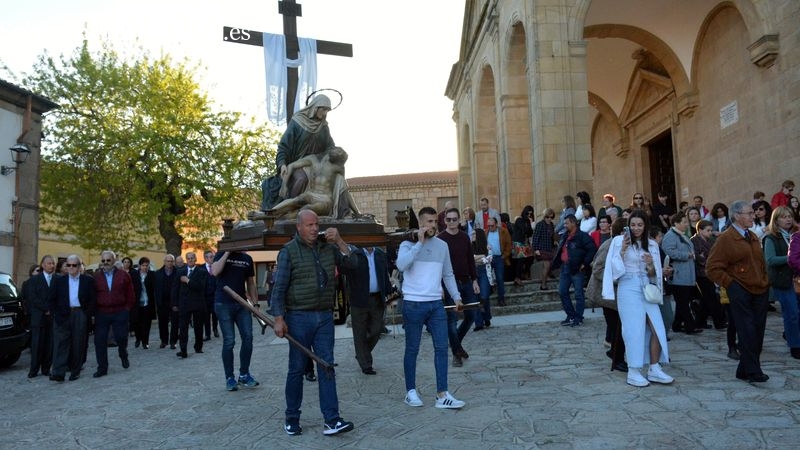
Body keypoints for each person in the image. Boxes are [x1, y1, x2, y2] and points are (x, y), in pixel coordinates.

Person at [270, 210, 356, 435]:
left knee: (327, 367)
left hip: (325, 317)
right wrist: (279, 319)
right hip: (298, 318)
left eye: (316, 224)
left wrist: (339, 240)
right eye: (309, 225)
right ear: (298, 227)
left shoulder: (328, 248)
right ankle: (291, 418)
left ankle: (332, 419)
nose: (314, 228)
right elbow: (278, 289)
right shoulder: (288, 252)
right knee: (297, 369)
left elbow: (352, 265)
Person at [396, 206, 466, 410]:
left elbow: (448, 274)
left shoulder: (442, 246)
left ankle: (442, 394)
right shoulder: (407, 244)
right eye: (429, 221)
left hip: (436, 303)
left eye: (435, 221)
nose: (433, 225)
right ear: (420, 223)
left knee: (442, 348)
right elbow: (401, 266)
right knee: (412, 349)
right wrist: (419, 243)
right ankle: (410, 391)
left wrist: (457, 296)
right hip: (413, 303)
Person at [602, 210, 672, 387]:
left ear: (645, 225)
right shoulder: (619, 241)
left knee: (657, 328)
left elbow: (654, 275)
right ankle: (633, 371)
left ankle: (654, 368)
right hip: (628, 287)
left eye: (640, 225)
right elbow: (614, 270)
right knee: (634, 330)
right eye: (633, 225)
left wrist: (650, 264)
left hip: (646, 288)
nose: (636, 228)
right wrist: (623, 251)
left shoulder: (652, 245)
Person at [706, 200, 771, 383]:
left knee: (757, 330)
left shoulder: (751, 236)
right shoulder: (726, 239)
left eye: (752, 213)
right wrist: (731, 284)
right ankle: (753, 371)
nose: (753, 216)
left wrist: (765, 280)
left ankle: (744, 369)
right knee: (747, 330)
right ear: (736, 216)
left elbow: (758, 262)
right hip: (740, 290)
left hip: (759, 289)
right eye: (749, 213)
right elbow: (712, 268)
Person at [262, 94, 335, 212]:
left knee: (335, 176)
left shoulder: (323, 126)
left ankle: (337, 210)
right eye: (324, 109)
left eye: (327, 110)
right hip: (298, 163)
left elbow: (330, 146)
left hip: (316, 164)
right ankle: (290, 208)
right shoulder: (297, 122)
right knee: (301, 179)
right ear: (315, 107)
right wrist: (282, 164)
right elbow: (283, 146)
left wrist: (335, 154)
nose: (325, 113)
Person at [211, 248, 260, 392]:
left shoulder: (247, 258)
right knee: (229, 341)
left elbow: (250, 282)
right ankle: (229, 378)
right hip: (223, 303)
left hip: (242, 304)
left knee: (248, 337)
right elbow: (215, 272)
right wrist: (227, 253)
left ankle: (244, 374)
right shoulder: (220, 254)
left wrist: (255, 304)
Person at [437, 207, 480, 367]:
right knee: (451, 320)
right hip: (448, 284)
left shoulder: (464, 238)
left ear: (459, 220)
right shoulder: (440, 239)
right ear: (445, 220)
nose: (452, 222)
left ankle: (456, 344)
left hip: (466, 282)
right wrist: (439, 286)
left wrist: (475, 280)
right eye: (449, 219)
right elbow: (437, 265)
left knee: (471, 316)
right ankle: (456, 353)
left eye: (455, 219)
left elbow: (470, 260)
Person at [268, 146, 359, 219]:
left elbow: (344, 190)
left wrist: (356, 212)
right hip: (311, 194)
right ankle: (269, 213)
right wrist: (284, 185)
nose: (339, 155)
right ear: (332, 150)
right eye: (339, 152)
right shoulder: (312, 159)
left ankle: (279, 218)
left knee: (306, 209)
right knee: (296, 200)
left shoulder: (338, 168)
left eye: (341, 157)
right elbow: (291, 166)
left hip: (325, 200)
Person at [585, 217, 627, 372]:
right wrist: (617, 279)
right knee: (617, 328)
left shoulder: (625, 245)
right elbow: (597, 269)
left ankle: (614, 353)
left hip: (617, 295)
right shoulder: (609, 245)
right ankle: (617, 360)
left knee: (618, 328)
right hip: (608, 295)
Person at [48, 255, 96, 382]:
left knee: (78, 344)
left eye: (74, 265)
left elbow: (93, 300)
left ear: (80, 267)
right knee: (60, 343)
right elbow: (51, 299)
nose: (70, 267)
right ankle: (58, 372)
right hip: (63, 314)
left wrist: (86, 314)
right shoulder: (59, 280)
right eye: (68, 265)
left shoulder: (88, 280)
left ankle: (75, 371)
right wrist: (56, 313)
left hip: (80, 313)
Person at [346, 246, 391, 375]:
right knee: (359, 332)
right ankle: (366, 364)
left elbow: (384, 274)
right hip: (359, 299)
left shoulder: (380, 254)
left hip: (377, 298)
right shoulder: (355, 254)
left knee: (377, 329)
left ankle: (362, 354)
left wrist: (389, 291)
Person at [762, 207, 800, 359]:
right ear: (776, 219)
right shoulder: (771, 237)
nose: (788, 219)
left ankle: (789, 333)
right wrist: (791, 258)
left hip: (796, 279)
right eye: (784, 217)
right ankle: (795, 346)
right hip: (782, 281)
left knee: (797, 313)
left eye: (790, 216)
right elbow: (770, 260)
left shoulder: (795, 235)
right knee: (791, 313)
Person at [92, 250, 135, 378]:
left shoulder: (123, 275)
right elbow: (93, 295)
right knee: (99, 340)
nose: (105, 263)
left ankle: (123, 354)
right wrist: (94, 312)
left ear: (114, 261)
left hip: (119, 311)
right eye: (103, 261)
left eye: (108, 260)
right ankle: (102, 367)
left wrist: (127, 308)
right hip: (102, 312)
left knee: (121, 337)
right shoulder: (96, 277)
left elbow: (130, 293)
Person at [551, 214, 597, 327]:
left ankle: (578, 317)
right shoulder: (565, 236)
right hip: (565, 267)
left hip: (577, 269)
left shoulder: (582, 236)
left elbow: (592, 249)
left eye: (566, 223)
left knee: (579, 294)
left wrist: (584, 263)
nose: (565, 225)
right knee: (562, 291)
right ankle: (571, 315)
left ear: (573, 222)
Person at [662, 210, 702, 334]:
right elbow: (669, 251)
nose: (686, 224)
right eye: (684, 222)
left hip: (686, 274)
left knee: (682, 301)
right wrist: (687, 255)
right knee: (683, 302)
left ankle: (677, 324)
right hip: (678, 275)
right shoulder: (670, 236)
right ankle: (690, 326)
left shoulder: (682, 235)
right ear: (676, 223)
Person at [24, 255, 55, 378]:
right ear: (43, 265)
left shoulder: (57, 279)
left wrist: (51, 310)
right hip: (39, 316)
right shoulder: (34, 280)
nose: (51, 265)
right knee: (37, 344)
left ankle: (46, 368)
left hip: (52, 317)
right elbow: (32, 298)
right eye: (49, 263)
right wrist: (45, 309)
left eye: (53, 263)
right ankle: (34, 369)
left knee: (49, 344)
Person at [173, 252, 208, 358]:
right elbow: (175, 288)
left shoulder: (202, 272)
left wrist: (188, 281)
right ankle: (183, 350)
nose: (190, 260)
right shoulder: (180, 272)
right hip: (184, 304)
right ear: (186, 260)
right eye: (188, 258)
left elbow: (201, 287)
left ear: (196, 259)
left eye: (192, 258)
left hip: (197, 303)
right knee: (183, 328)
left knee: (198, 327)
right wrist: (174, 303)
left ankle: (198, 347)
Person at [692, 220, 726, 329]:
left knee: (706, 299)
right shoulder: (694, 241)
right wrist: (706, 259)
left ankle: (700, 321)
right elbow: (698, 257)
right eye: (708, 230)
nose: (710, 232)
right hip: (701, 273)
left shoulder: (711, 241)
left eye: (711, 230)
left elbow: (715, 254)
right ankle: (719, 322)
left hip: (710, 271)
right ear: (700, 230)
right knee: (711, 298)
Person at [153, 254, 179, 349]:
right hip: (162, 302)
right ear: (164, 262)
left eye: (171, 261)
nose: (170, 263)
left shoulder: (178, 272)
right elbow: (155, 289)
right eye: (168, 261)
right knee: (162, 322)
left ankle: (173, 341)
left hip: (174, 301)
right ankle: (164, 341)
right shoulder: (157, 273)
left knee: (175, 323)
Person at [486, 217, 512, 306]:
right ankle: (487, 297)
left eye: (492, 226)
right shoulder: (486, 232)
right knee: (487, 278)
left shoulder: (503, 231)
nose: (490, 227)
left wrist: (504, 256)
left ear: (496, 224)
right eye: (488, 226)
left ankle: (501, 299)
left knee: (500, 278)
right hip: (489, 258)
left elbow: (509, 245)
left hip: (499, 258)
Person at [132, 257, 155, 349]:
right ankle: (138, 338)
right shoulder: (134, 274)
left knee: (147, 323)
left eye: (146, 265)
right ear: (139, 266)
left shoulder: (152, 275)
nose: (145, 267)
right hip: (137, 302)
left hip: (148, 302)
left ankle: (145, 342)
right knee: (137, 323)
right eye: (143, 265)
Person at [532, 208, 556, 290]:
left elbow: (552, 237)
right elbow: (535, 238)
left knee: (550, 263)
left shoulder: (551, 225)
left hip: (549, 249)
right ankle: (543, 285)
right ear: (544, 217)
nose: (549, 219)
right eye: (547, 217)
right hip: (541, 249)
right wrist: (536, 249)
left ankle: (549, 274)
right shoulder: (540, 225)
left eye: (551, 217)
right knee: (547, 264)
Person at [511, 206, 534, 286]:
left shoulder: (528, 221)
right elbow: (524, 230)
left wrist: (529, 223)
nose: (529, 215)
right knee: (520, 260)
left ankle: (524, 273)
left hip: (525, 243)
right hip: (518, 242)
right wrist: (528, 225)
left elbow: (530, 232)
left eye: (531, 214)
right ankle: (517, 277)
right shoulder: (519, 220)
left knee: (531, 257)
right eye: (528, 213)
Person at [202, 250, 219, 340]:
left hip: (215, 296)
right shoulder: (201, 268)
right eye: (208, 257)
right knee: (206, 316)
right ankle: (207, 334)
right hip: (204, 297)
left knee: (215, 314)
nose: (210, 258)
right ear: (204, 258)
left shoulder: (217, 267)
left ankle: (215, 329)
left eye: (211, 256)